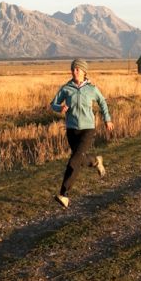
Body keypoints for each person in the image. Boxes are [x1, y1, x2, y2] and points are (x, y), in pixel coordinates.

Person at [49, 58, 114, 208]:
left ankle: (63, 194)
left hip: (88, 129)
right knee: (80, 158)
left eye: (77, 69)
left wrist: (107, 119)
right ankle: (96, 161)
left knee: (74, 161)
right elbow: (53, 103)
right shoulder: (66, 88)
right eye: (73, 69)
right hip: (71, 129)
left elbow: (102, 102)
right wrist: (60, 108)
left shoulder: (91, 89)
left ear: (84, 72)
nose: (74, 71)